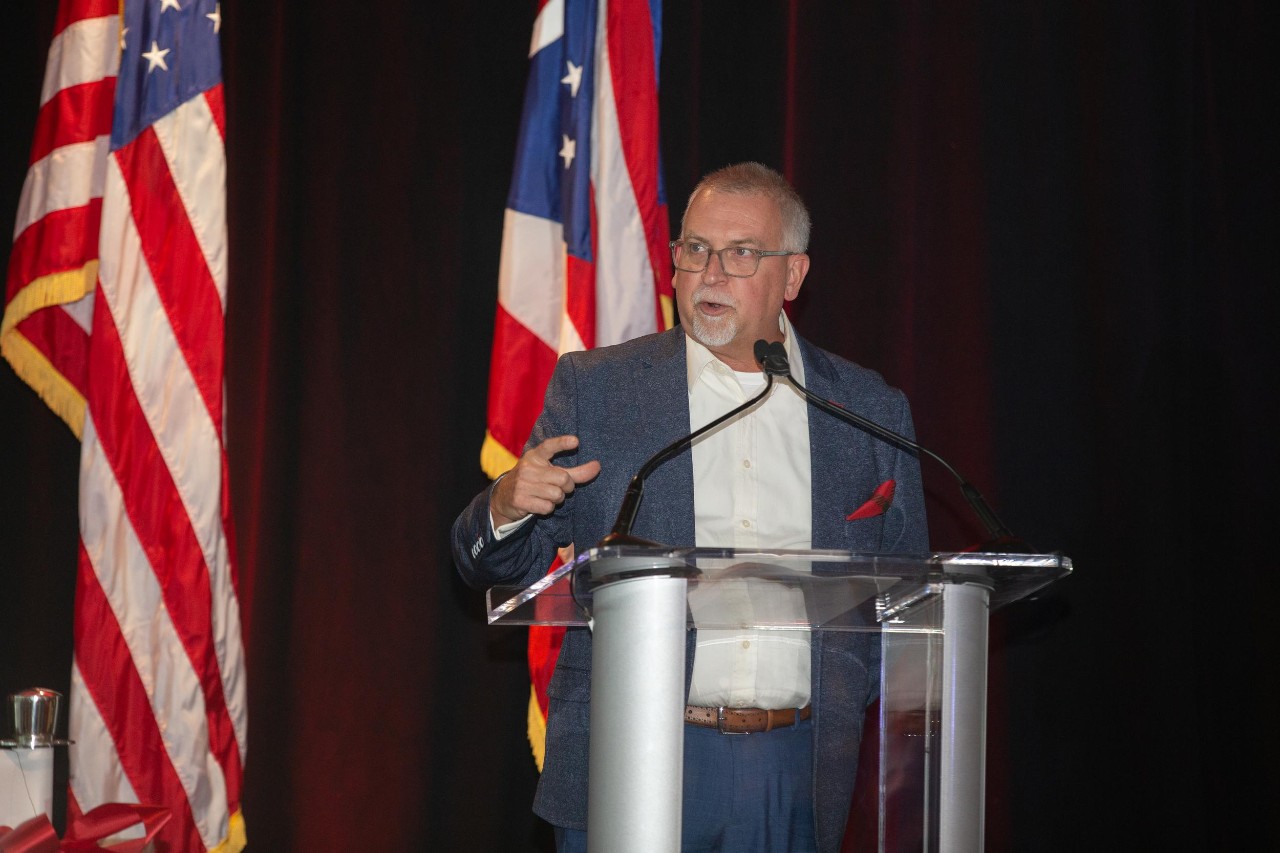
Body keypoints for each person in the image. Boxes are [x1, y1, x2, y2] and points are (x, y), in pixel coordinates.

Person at [452, 162, 928, 853]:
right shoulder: (601, 390)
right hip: (631, 750)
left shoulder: (866, 411)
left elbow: (909, 597)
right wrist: (505, 504)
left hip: (793, 765)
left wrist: (842, 695)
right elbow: (496, 563)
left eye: (741, 254)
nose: (710, 273)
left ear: (793, 277)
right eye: (695, 249)